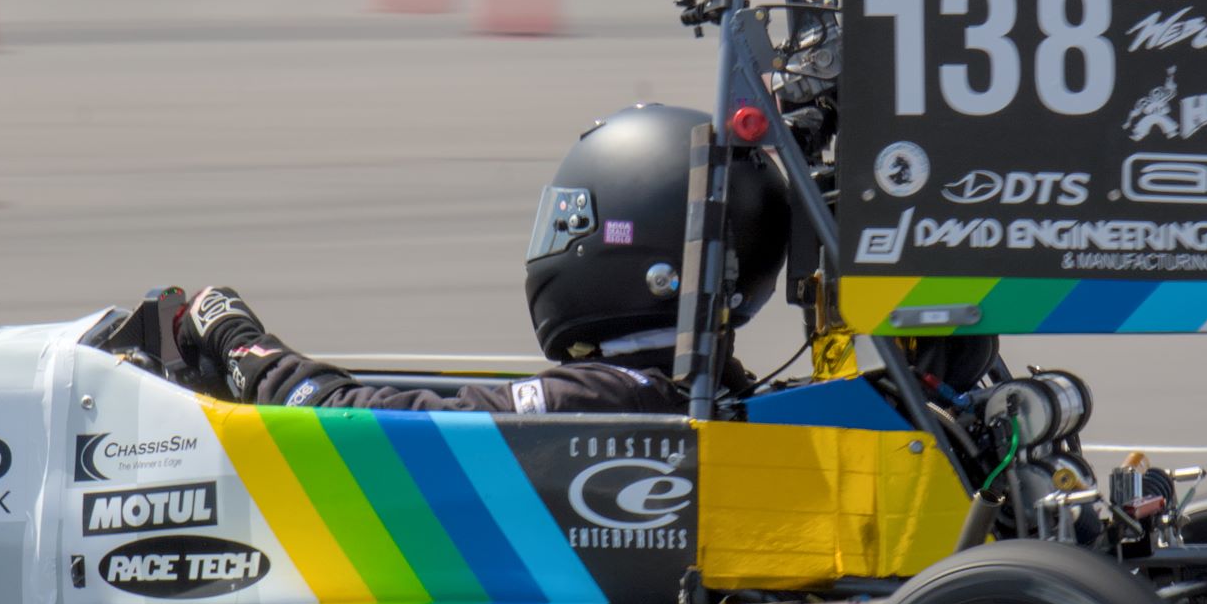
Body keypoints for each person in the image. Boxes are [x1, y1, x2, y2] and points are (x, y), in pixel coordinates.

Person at [123, 103, 790, 414]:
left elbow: (374, 426)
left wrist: (244, 349)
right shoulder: (713, 388)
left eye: (574, 220)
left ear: (649, 254)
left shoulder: (616, 397)